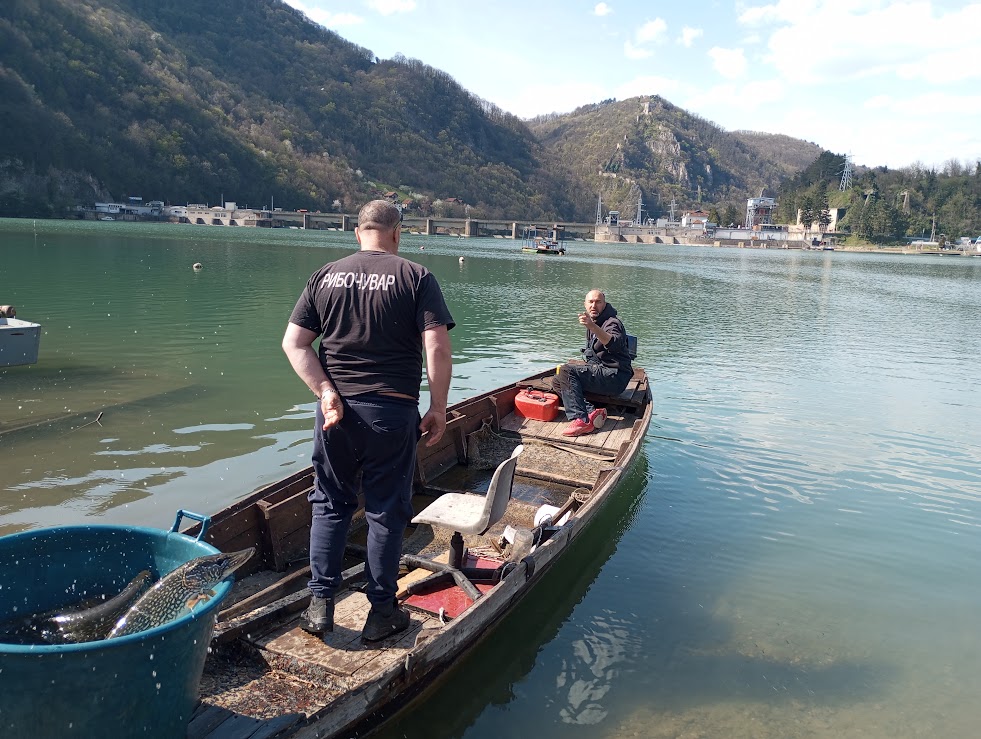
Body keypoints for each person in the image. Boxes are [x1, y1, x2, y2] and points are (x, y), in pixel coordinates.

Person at [282, 200, 454, 643]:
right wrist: (438, 406)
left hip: (336, 413)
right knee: (384, 511)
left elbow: (295, 344)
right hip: (392, 413)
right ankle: (381, 613)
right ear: (397, 234)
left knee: (330, 502)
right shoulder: (416, 276)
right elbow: (434, 345)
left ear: (356, 233)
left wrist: (326, 392)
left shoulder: (326, 275)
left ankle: (320, 606)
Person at [555, 289, 632, 437]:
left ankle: (581, 420)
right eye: (590, 302)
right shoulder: (594, 322)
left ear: (604, 304)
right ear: (585, 304)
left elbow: (614, 344)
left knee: (566, 370)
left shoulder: (612, 323)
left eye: (598, 302)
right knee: (558, 380)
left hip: (615, 377)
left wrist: (592, 327)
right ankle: (592, 412)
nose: (593, 306)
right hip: (601, 372)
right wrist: (592, 326)